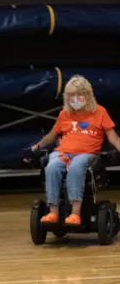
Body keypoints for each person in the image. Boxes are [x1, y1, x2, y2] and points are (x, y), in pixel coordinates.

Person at [32, 75, 120, 227]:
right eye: (71, 96)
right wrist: (36, 147)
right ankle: (53, 212)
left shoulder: (100, 112)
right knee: (52, 167)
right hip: (63, 152)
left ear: (87, 95)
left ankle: (75, 214)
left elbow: (113, 137)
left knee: (75, 167)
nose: (74, 99)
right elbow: (51, 136)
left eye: (78, 95)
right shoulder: (64, 114)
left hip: (87, 154)